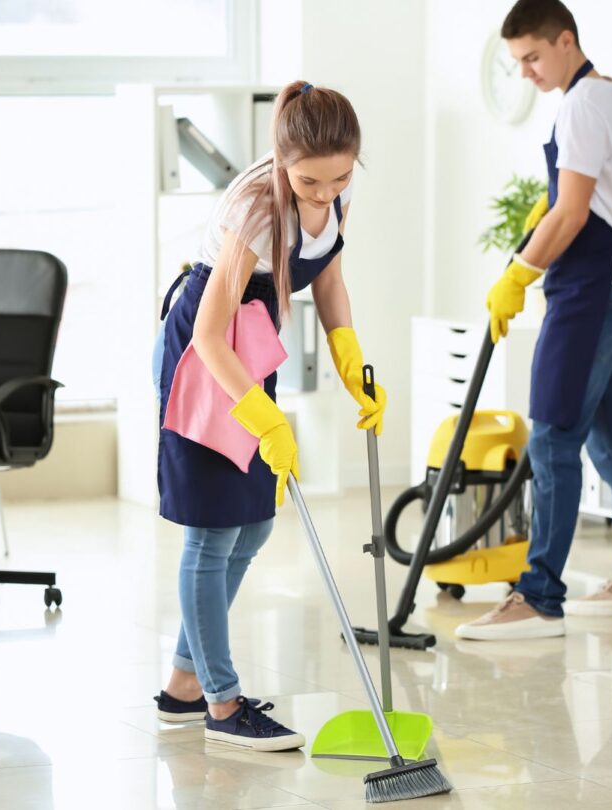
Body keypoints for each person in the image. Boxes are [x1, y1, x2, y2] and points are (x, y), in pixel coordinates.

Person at [151, 80, 387, 748]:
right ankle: (221, 707)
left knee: (252, 528)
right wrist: (266, 417)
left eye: (338, 177)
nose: (323, 193)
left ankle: (183, 684)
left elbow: (331, 280)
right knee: (211, 533)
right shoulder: (258, 204)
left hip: (252, 351)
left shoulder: (336, 190)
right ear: (283, 162)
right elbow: (206, 334)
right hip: (208, 359)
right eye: (309, 181)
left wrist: (352, 366)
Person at [457, 0, 612, 641]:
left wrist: (519, 271)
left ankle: (540, 596)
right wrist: (552, 209)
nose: (526, 73)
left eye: (532, 57)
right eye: (517, 62)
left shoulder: (579, 105)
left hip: (587, 288)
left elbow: (575, 213)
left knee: (551, 436)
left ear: (565, 40)